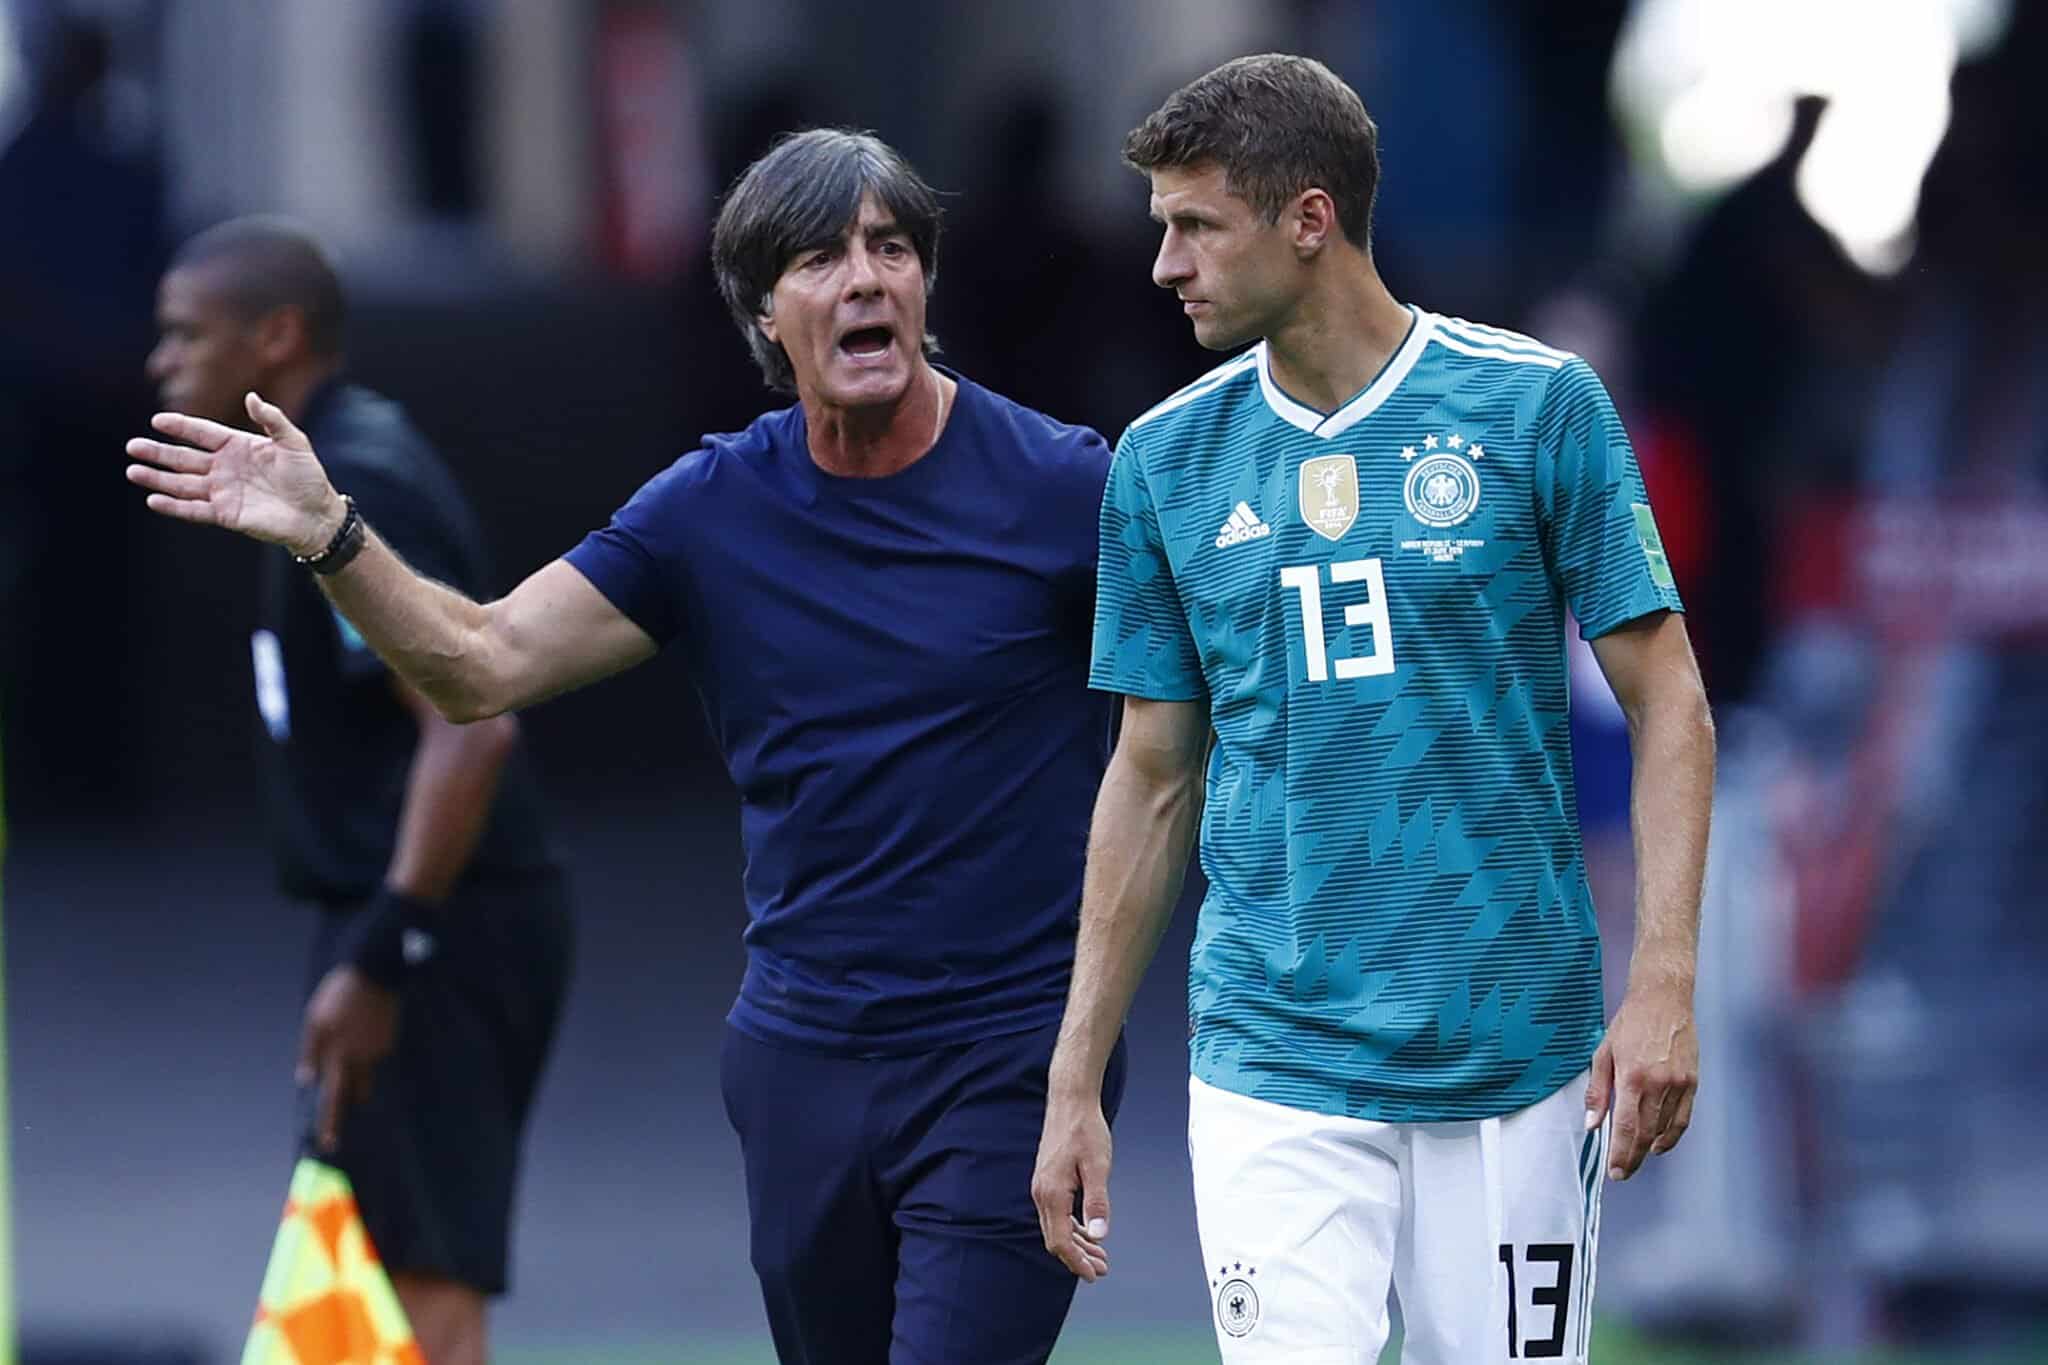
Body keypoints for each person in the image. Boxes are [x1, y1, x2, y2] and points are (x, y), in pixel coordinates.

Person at [127, 131, 1126, 1365]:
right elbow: (478, 667)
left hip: (1005, 1061)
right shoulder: (713, 508)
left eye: (891, 249)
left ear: (925, 281)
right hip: (802, 1063)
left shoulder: (1067, 489)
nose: (866, 279)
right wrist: (333, 536)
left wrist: (1083, 1058)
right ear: (764, 314)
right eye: (821, 257)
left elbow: (1198, 718)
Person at [1030, 54, 1715, 1364]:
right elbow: (1151, 774)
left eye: (1194, 226)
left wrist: (1665, 982)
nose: (1165, 264)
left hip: (1513, 1054)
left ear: (1308, 218)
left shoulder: (1536, 408)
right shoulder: (1163, 461)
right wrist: (1076, 1072)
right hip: (1271, 1057)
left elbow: (1670, 700)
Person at [139, 218, 575, 1362]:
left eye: (185, 334)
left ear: (275, 337)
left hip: (441, 924)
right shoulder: (320, 465)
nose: (161, 361)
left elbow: (472, 736)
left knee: (420, 1276)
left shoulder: (359, 481)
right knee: (363, 1266)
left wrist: (385, 952)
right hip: (404, 918)